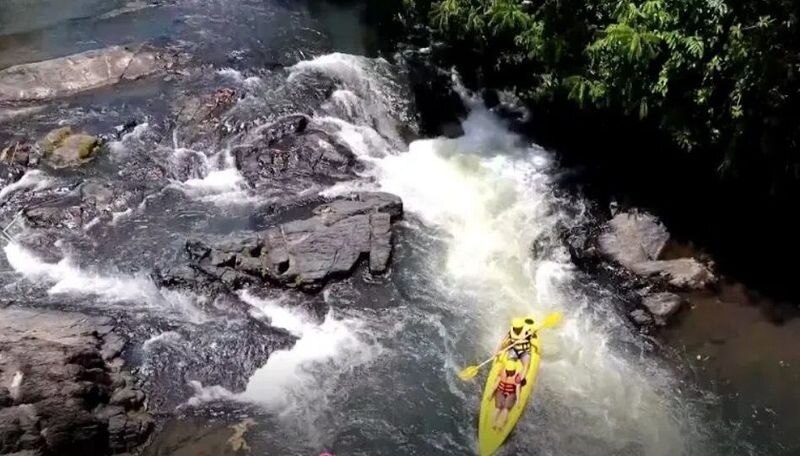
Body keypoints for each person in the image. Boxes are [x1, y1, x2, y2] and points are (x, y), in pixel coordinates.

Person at [496, 317, 537, 384]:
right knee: (509, 362)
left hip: (524, 351)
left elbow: (534, 337)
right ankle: (504, 378)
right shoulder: (511, 331)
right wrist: (498, 351)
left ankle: (521, 380)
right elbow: (503, 341)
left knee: (526, 365)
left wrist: (533, 333)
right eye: (515, 327)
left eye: (518, 328)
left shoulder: (527, 331)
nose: (516, 329)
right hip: (514, 350)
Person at [489, 357, 522, 430]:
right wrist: (491, 393)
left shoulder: (517, 376)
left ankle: (500, 424)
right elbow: (496, 383)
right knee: (498, 407)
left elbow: (517, 389)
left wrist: (518, 400)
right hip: (501, 391)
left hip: (511, 393)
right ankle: (492, 423)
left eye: (511, 371)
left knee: (506, 408)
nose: (509, 372)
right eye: (508, 370)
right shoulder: (502, 372)